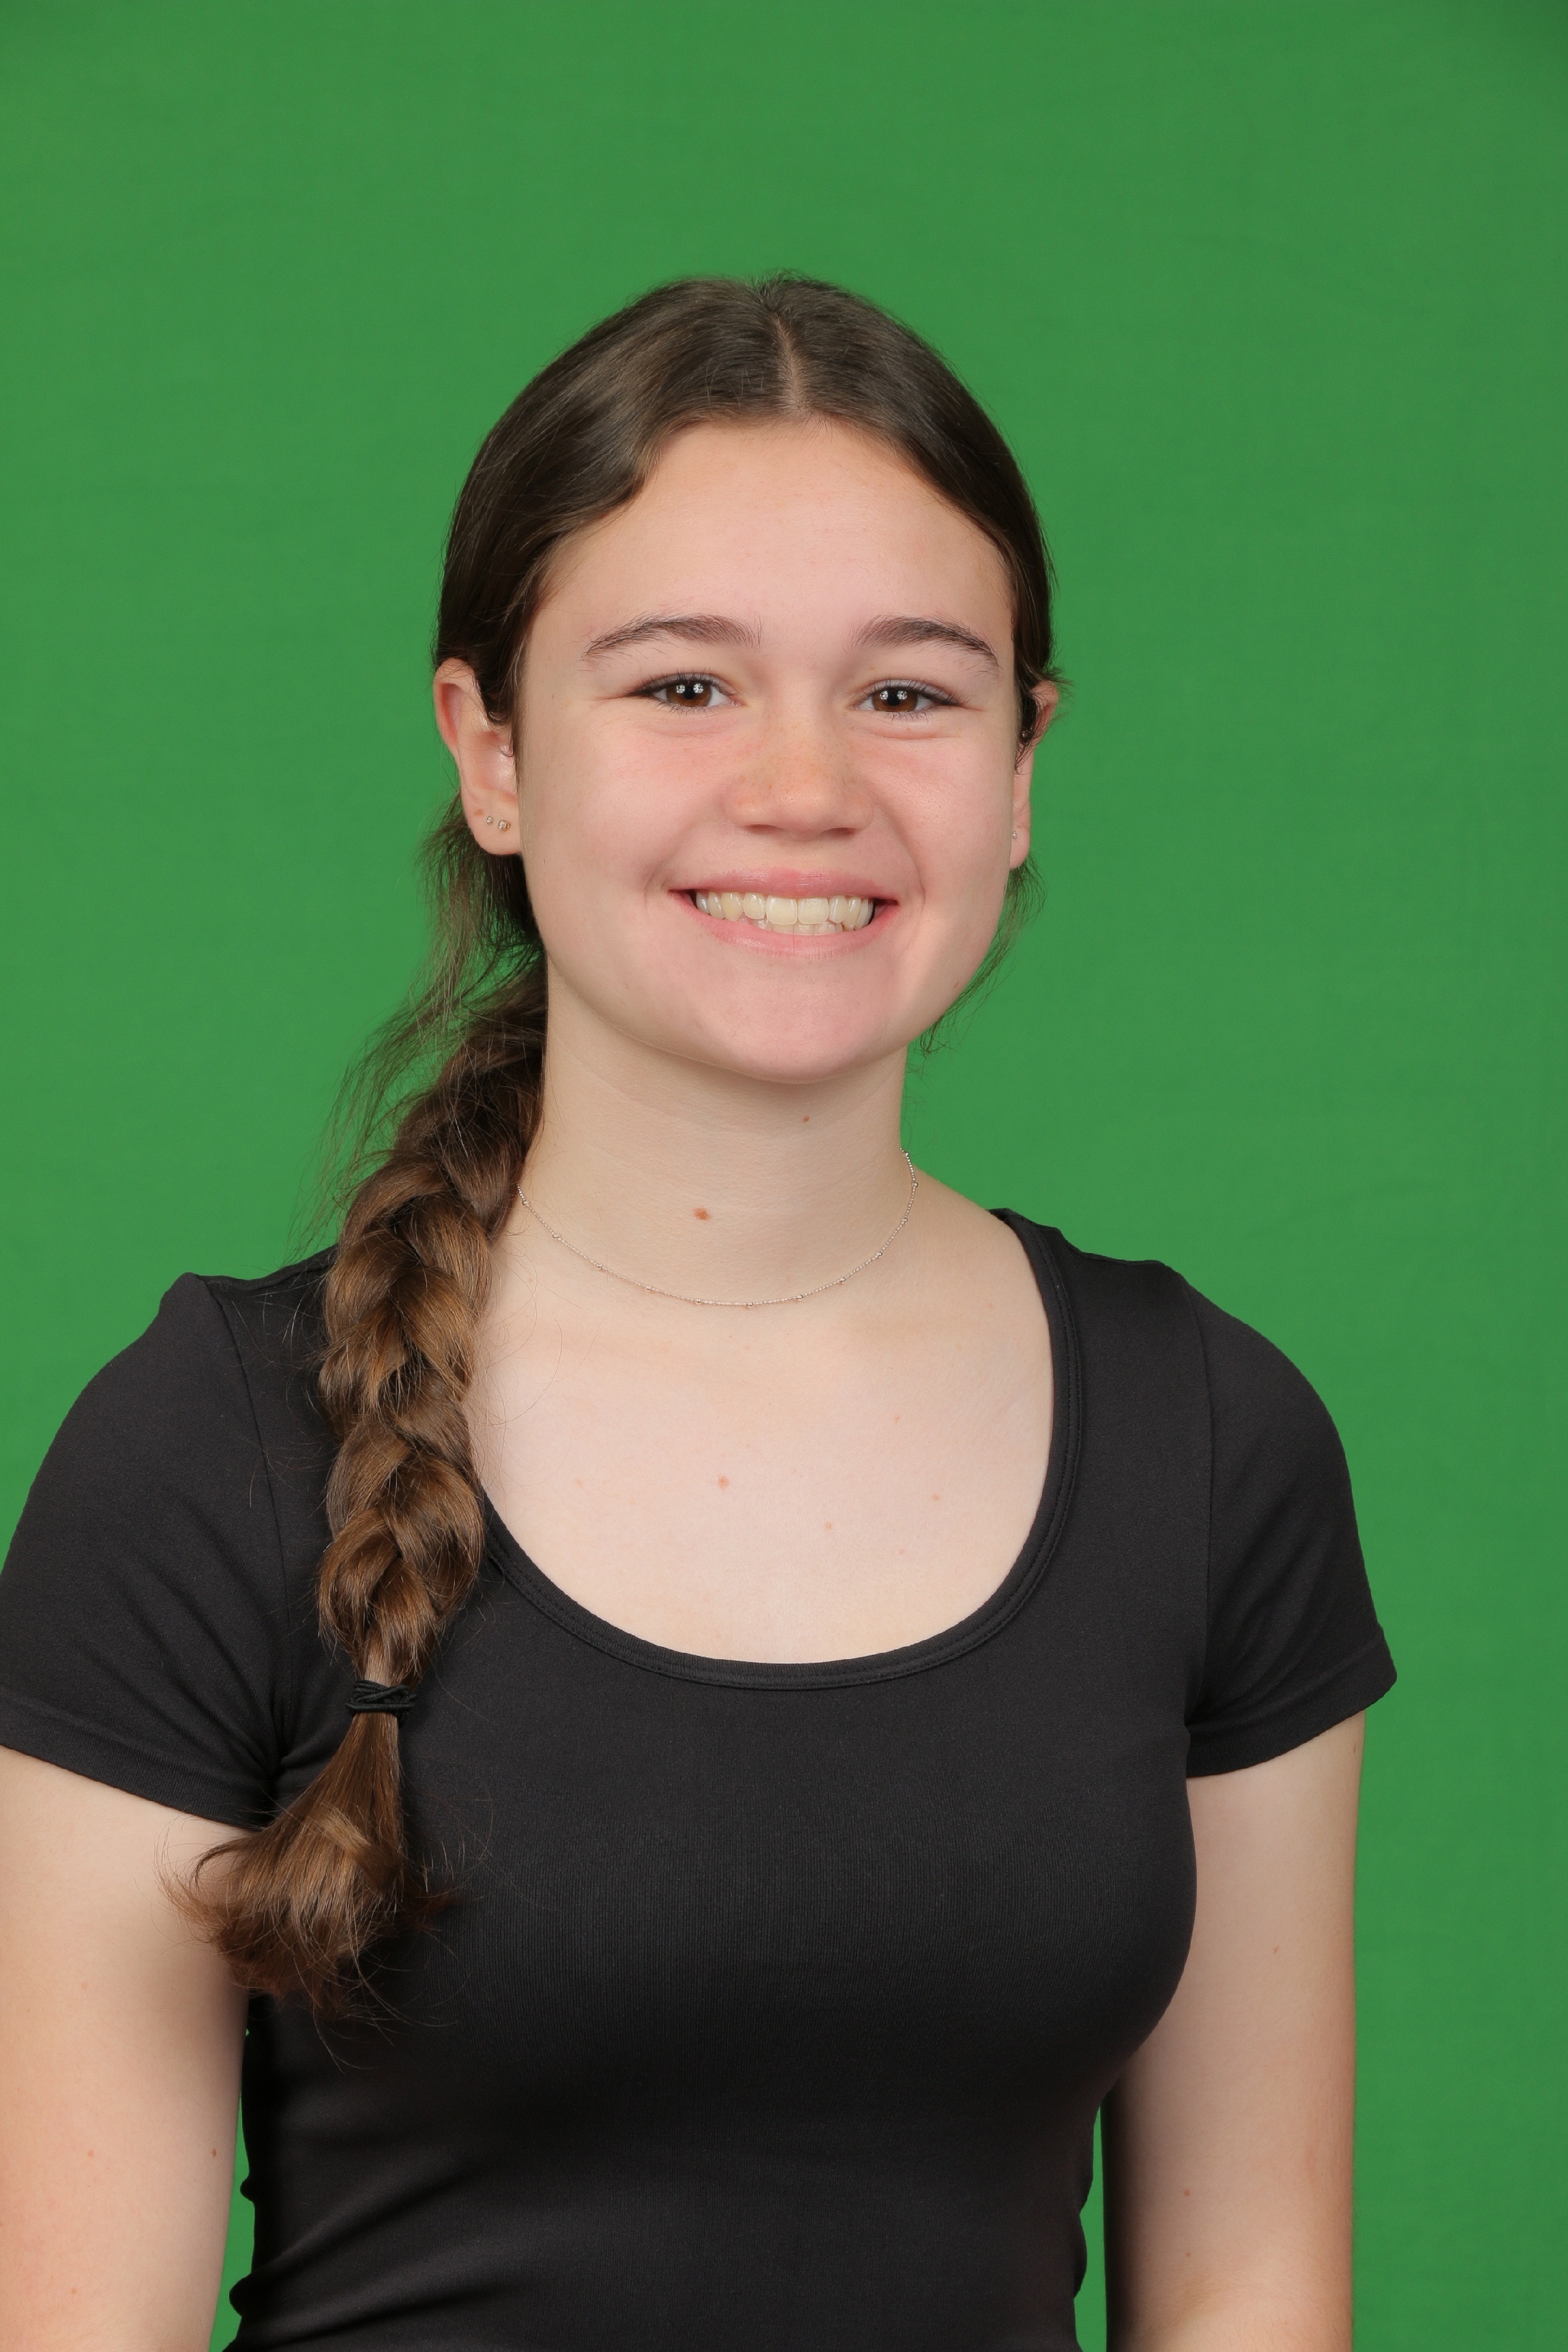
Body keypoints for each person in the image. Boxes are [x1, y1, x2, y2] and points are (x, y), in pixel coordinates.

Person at [0, 275, 1394, 2352]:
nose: (805, 784)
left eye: (907, 692)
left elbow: (1249, 2290)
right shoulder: (213, 1448)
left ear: (1024, 763)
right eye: (683, 685)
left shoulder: (1212, 1439)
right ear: (489, 749)